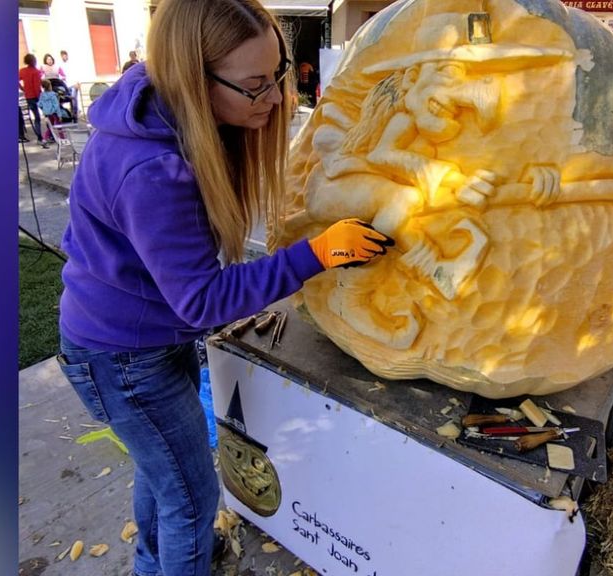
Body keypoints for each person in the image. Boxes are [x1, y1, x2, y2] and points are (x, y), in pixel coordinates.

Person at [56, 1, 393, 575]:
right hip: (122, 358)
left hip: (142, 337)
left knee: (163, 474)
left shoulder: (164, 111)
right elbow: (204, 301)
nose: (277, 99)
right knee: (190, 499)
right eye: (255, 86)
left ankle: (154, 564)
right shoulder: (153, 171)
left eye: (277, 74)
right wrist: (316, 254)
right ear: (195, 77)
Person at [18, 53, 44, 144]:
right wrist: (40, 97)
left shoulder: (22, 71)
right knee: (45, 115)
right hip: (37, 96)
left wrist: (22, 88)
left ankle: (39, 137)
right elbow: (37, 86)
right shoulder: (36, 72)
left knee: (36, 116)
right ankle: (45, 136)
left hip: (29, 96)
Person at [38, 79, 61, 146]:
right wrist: (59, 115)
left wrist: (44, 109)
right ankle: (62, 138)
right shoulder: (53, 95)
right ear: (50, 86)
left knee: (50, 127)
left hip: (47, 114)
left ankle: (44, 139)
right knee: (59, 126)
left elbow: (39, 104)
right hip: (54, 113)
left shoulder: (42, 95)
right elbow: (56, 105)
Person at [59, 49, 80, 122]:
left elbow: (76, 73)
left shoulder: (72, 64)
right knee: (69, 100)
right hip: (66, 85)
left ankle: (75, 116)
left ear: (67, 56)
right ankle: (71, 115)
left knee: (74, 101)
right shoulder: (60, 65)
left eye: (65, 56)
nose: (64, 57)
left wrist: (77, 82)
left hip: (73, 84)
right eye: (62, 56)